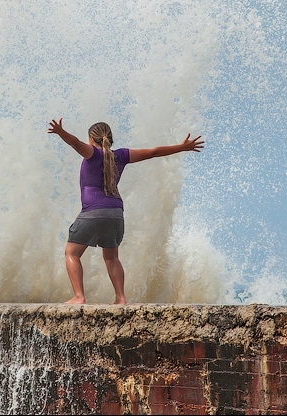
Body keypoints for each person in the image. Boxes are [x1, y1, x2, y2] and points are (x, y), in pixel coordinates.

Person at [48, 118, 204, 304]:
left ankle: (79, 296)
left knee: (72, 253)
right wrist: (181, 147)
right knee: (112, 257)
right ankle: (121, 298)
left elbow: (74, 143)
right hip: (116, 213)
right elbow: (153, 152)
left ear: (91, 139)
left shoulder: (92, 154)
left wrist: (60, 132)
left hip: (92, 212)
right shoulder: (121, 156)